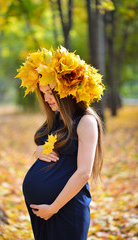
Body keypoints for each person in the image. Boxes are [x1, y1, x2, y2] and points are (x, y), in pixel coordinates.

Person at [15, 46, 105, 240]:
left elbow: (84, 173)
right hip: (44, 211)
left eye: (50, 92)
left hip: (65, 209)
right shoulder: (57, 118)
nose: (46, 99)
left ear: (65, 90)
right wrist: (39, 151)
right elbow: (50, 148)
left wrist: (53, 208)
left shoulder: (86, 121)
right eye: (43, 93)